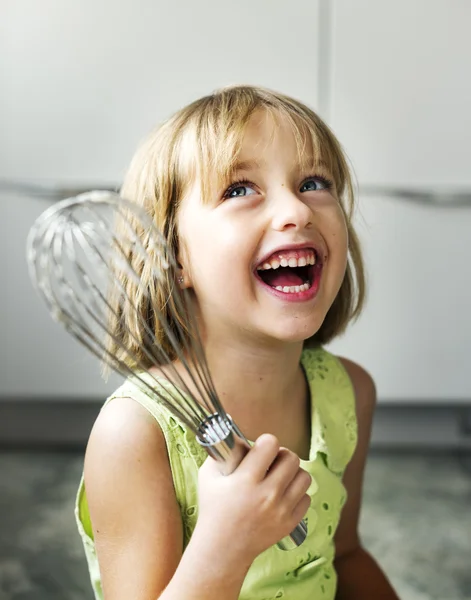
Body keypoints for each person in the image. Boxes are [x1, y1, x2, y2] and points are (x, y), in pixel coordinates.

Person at [75, 85, 400, 600]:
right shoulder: (135, 435)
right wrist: (225, 545)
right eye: (239, 189)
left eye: (314, 182)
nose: (296, 209)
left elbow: (345, 554)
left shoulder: (349, 393)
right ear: (173, 255)